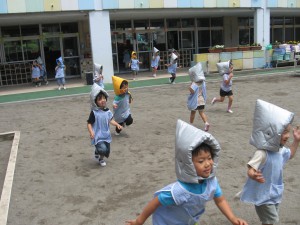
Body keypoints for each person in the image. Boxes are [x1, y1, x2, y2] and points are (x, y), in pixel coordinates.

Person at [125, 119, 248, 225]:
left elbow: (220, 200)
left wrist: (233, 218)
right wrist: (139, 221)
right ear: (188, 164)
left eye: (210, 158)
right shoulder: (179, 190)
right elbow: (155, 202)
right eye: (201, 161)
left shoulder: (212, 181)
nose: (208, 164)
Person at [240, 99, 300, 225]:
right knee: (273, 221)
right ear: (272, 132)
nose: (288, 135)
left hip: (275, 193)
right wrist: (253, 174)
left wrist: (296, 141)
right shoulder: (262, 153)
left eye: (288, 132)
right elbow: (250, 168)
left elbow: (290, 154)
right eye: (284, 132)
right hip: (263, 196)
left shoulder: (280, 150)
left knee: (269, 222)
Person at [87, 83, 122, 167]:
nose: (102, 100)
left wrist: (117, 124)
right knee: (103, 149)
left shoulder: (107, 111)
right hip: (98, 135)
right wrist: (91, 132)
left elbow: (110, 120)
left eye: (104, 98)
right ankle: (101, 159)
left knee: (107, 150)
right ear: (95, 101)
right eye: (99, 99)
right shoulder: (94, 113)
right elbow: (89, 123)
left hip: (106, 135)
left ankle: (97, 151)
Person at [187, 62, 210, 131]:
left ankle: (191, 124)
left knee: (193, 113)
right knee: (201, 112)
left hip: (195, 101)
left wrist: (189, 87)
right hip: (201, 100)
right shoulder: (203, 83)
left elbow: (192, 91)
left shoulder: (194, 83)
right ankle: (206, 123)